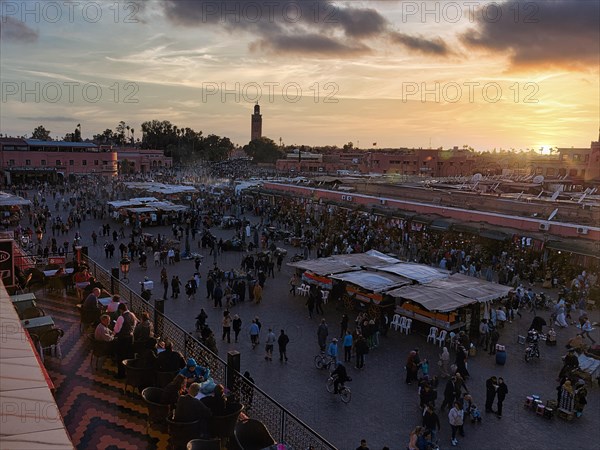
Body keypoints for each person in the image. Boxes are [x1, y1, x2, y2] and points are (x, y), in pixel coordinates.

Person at [113, 303, 138, 379]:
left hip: (122, 339)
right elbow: (134, 325)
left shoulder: (121, 317)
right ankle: (131, 374)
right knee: (129, 356)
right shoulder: (132, 315)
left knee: (120, 357)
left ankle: (121, 374)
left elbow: (117, 330)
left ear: (121, 309)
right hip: (130, 338)